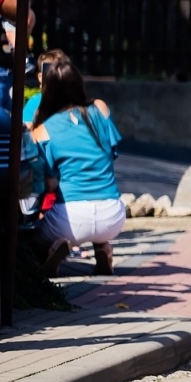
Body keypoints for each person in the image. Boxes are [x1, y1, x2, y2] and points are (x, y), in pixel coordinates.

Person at [30, 56, 126, 273]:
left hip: (70, 220)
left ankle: (53, 250)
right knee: (99, 228)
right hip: (113, 215)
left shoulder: (42, 130)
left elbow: (50, 184)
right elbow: (112, 153)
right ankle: (103, 248)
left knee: (34, 238)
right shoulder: (100, 109)